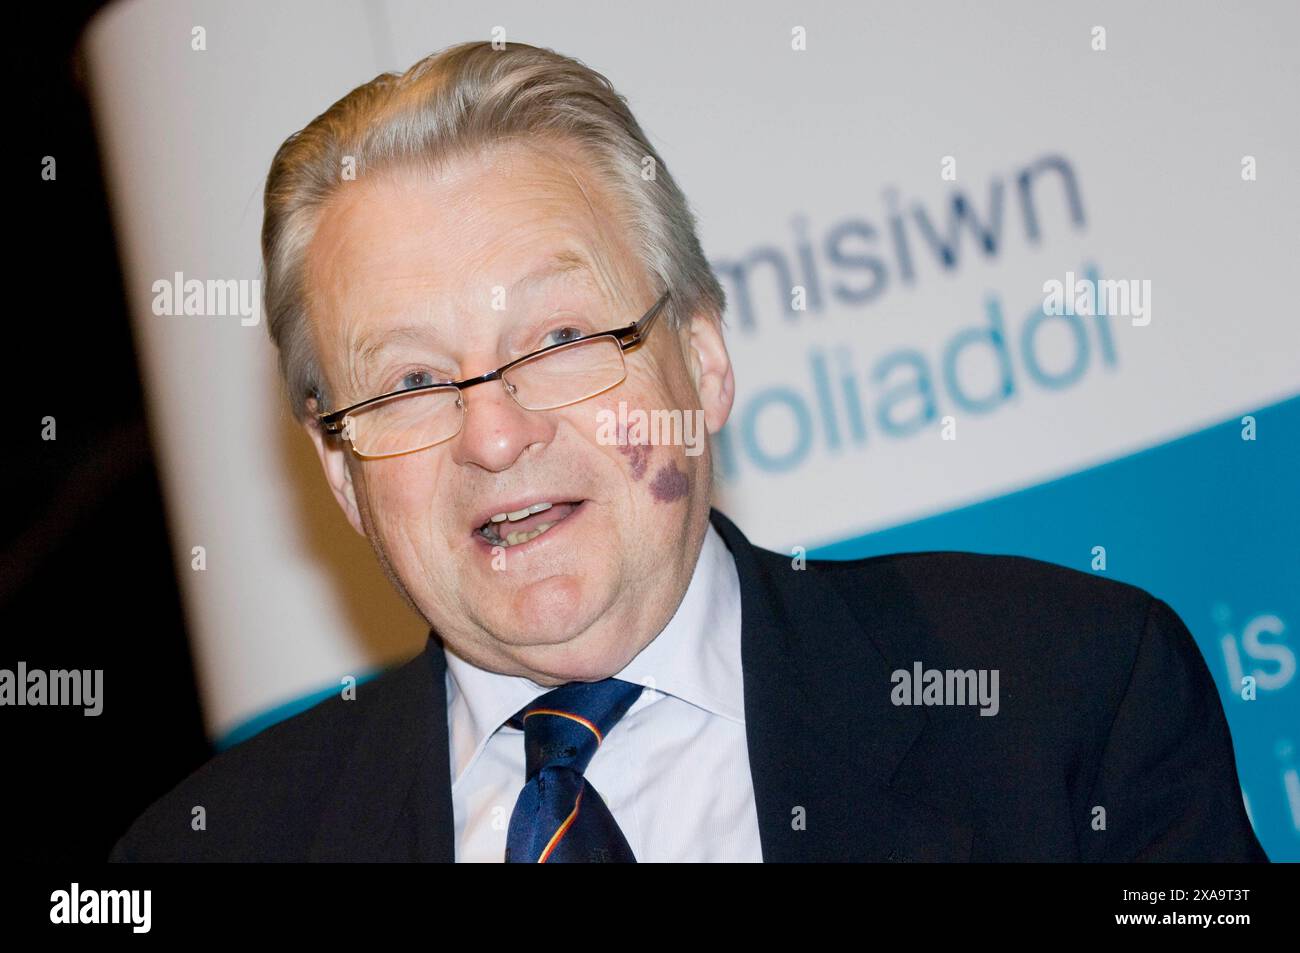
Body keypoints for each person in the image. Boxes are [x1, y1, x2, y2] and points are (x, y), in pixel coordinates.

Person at [109, 40, 1267, 863]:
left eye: (560, 339)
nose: (497, 431)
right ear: (340, 475)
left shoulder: (1067, 699)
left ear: (703, 359)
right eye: (411, 381)